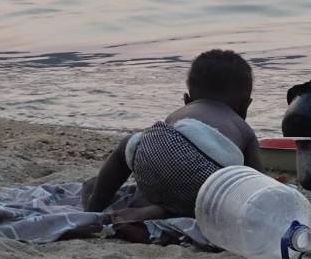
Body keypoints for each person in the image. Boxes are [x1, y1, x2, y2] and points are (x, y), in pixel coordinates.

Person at [84, 49, 263, 222]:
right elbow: (256, 183)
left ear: (187, 100)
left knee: (127, 147)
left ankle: (95, 207)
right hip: (206, 179)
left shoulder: (183, 113)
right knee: (216, 196)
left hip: (152, 160)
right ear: (245, 105)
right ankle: (164, 212)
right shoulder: (243, 129)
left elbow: (168, 154)